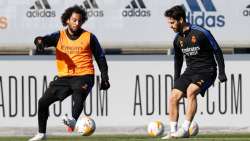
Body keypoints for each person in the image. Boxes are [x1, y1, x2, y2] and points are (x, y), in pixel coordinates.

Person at [29, 5, 110, 141]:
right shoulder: (59, 36)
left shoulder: (89, 37)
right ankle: (41, 134)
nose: (77, 23)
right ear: (67, 20)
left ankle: (73, 119)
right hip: (65, 77)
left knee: (79, 91)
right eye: (74, 20)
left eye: (79, 21)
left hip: (85, 74)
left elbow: (100, 57)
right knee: (42, 102)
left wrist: (105, 77)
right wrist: (39, 42)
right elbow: (41, 39)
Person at [162, 5, 227, 139]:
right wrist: (176, 79)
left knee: (191, 91)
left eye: (172, 23)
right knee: (173, 96)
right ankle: (173, 132)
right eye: (169, 23)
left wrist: (222, 72)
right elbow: (178, 60)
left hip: (207, 70)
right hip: (190, 71)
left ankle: (185, 129)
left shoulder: (201, 32)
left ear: (180, 20)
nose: (170, 26)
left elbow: (217, 50)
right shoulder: (177, 39)